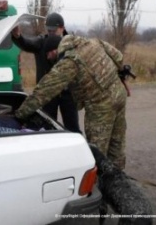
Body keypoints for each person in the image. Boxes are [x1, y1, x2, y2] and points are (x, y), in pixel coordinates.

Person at [15, 34, 128, 169]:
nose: (47, 58)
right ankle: (119, 179)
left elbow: (44, 90)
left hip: (101, 107)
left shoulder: (70, 62)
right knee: (117, 145)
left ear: (54, 50)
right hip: (120, 96)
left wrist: (20, 114)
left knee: (97, 152)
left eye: (47, 54)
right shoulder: (94, 42)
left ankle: (97, 183)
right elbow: (119, 57)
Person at [11, 12, 81, 133]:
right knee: (49, 126)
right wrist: (18, 37)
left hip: (68, 94)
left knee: (72, 127)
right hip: (48, 94)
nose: (51, 33)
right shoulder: (41, 42)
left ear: (62, 28)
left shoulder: (72, 45)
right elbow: (27, 43)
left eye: (54, 31)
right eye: (49, 30)